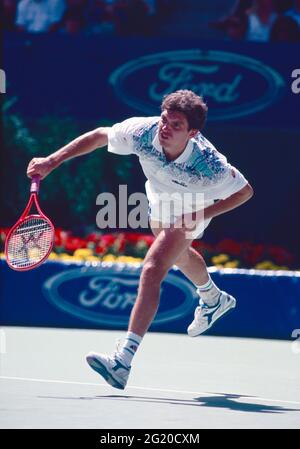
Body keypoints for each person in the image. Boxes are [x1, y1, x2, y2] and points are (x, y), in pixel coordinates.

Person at [26, 90, 254, 390]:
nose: (165, 128)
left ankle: (122, 361)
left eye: (175, 125)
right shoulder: (142, 132)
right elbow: (99, 136)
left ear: (193, 133)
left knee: (153, 269)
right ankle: (213, 298)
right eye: (164, 120)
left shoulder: (208, 164)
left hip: (194, 204)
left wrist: (200, 214)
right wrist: (52, 161)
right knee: (180, 256)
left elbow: (244, 192)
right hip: (160, 199)